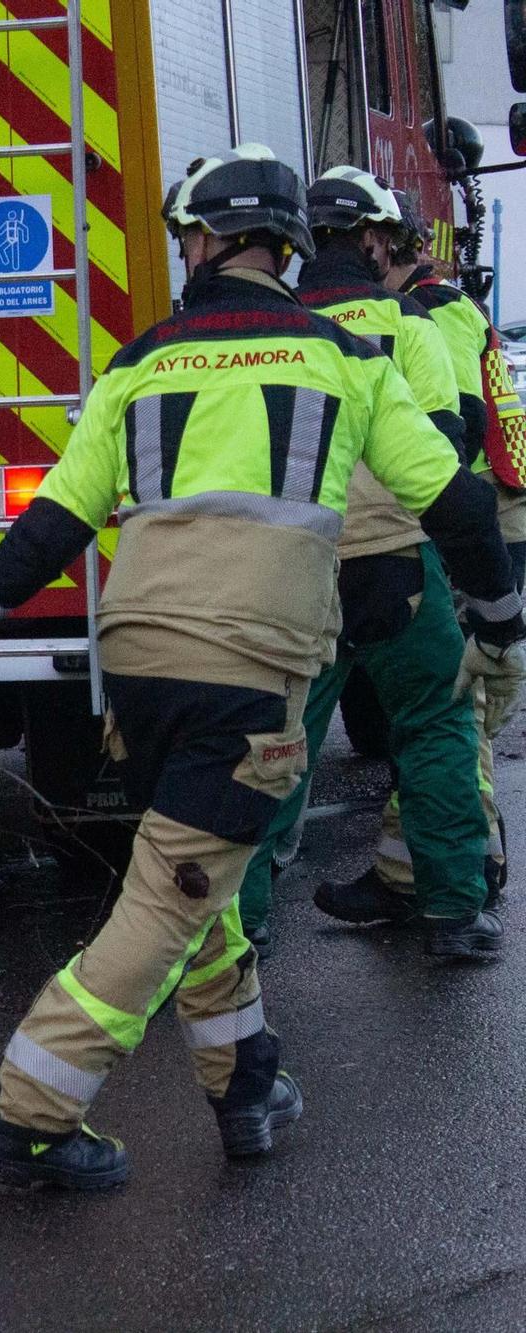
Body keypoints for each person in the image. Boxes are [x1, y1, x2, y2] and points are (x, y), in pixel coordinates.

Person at [0, 146, 526, 1192]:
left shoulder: (138, 364)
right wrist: (500, 626)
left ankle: (245, 1083)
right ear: (285, 247)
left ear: (202, 242)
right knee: (169, 897)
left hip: (139, 674)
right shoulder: (344, 360)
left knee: (207, 873)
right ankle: (27, 1115)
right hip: (248, 675)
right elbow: (458, 505)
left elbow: (52, 525)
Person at [236, 168, 510, 960]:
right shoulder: (408, 324)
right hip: (398, 564)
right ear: (374, 240)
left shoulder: (270, 329)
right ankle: (455, 914)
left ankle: (237, 926)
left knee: (273, 745)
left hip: (298, 568)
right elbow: (450, 449)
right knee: (435, 727)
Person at [326, 189, 526, 914]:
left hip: (458, 526)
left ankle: (466, 868)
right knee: (447, 711)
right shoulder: (443, 308)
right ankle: (424, 872)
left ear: (390, 253)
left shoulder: (430, 314)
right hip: (470, 521)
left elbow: (448, 437)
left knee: (454, 711)